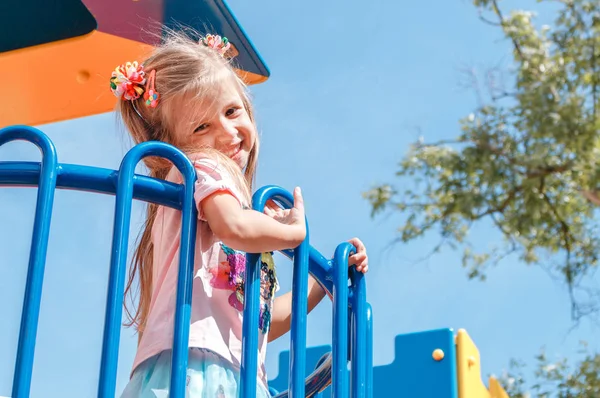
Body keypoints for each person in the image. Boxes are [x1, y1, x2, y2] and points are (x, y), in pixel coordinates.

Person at [111, 31, 369, 397]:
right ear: (175, 145)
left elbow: (257, 321)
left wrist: (319, 283)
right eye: (202, 127)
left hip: (233, 371)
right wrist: (294, 234)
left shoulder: (234, 211)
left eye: (232, 111)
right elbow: (233, 227)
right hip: (195, 369)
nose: (228, 132)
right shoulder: (199, 166)